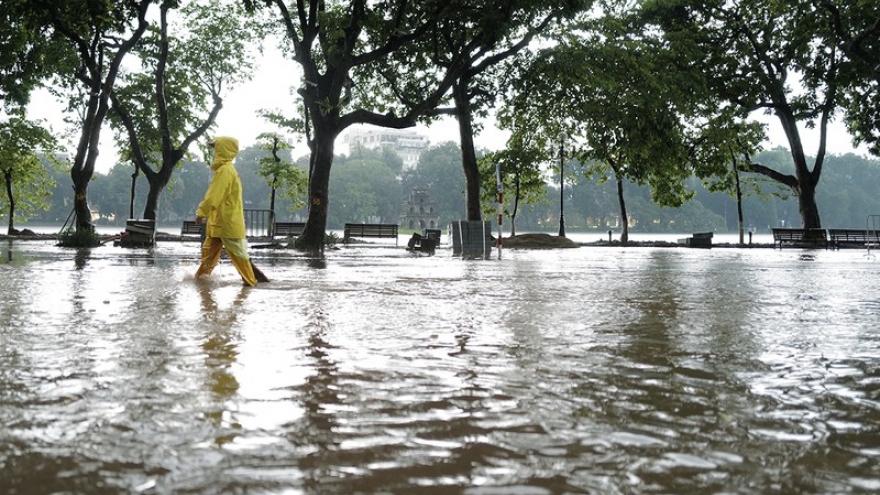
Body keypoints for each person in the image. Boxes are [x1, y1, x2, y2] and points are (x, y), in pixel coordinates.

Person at [194, 136, 269, 286]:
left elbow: (214, 195)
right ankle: (199, 283)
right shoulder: (227, 170)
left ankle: (251, 282)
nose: (214, 152)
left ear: (223, 150)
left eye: (216, 148)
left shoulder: (225, 171)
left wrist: (202, 212)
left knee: (239, 256)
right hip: (220, 224)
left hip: (226, 223)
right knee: (208, 256)